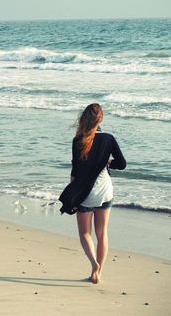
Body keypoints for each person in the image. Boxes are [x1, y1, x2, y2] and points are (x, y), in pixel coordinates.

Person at [59, 103, 126, 284]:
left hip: (86, 193)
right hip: (105, 191)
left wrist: (72, 195)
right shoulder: (109, 139)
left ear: (84, 119)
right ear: (100, 120)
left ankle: (94, 264)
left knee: (85, 234)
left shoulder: (78, 140)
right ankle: (98, 273)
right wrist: (108, 162)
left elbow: (75, 171)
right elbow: (122, 164)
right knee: (102, 233)